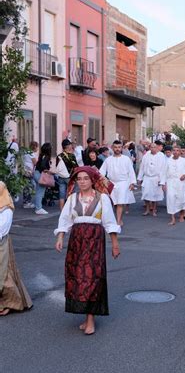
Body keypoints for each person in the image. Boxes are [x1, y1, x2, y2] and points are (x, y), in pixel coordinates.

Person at [54, 167, 120, 335]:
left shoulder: (102, 198)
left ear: (92, 180)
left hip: (94, 240)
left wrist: (114, 244)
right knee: (78, 277)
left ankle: (91, 319)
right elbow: (65, 219)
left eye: (85, 178)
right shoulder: (72, 198)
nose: (82, 181)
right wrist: (60, 237)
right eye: (79, 179)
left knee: (92, 277)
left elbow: (110, 222)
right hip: (76, 240)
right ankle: (86, 317)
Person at [0, 182, 33, 316]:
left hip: (1, 243)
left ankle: (10, 303)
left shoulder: (6, 209)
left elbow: (3, 229)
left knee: (3, 273)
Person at [99, 140, 136, 226]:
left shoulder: (126, 159)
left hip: (123, 183)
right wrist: (103, 180)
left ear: (122, 148)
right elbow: (102, 172)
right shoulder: (108, 160)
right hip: (111, 183)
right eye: (115, 147)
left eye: (119, 147)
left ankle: (118, 220)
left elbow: (131, 171)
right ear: (112, 148)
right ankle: (113, 218)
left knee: (120, 202)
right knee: (112, 203)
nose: (117, 149)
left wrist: (132, 183)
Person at [137, 142, 166, 216]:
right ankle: (147, 209)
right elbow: (142, 167)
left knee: (155, 195)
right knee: (146, 194)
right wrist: (139, 179)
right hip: (147, 178)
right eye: (151, 147)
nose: (153, 149)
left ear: (157, 148)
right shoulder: (146, 155)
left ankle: (154, 210)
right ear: (149, 148)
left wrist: (162, 181)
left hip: (156, 178)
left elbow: (163, 169)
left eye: (154, 147)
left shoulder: (161, 156)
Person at [164, 146, 185, 225]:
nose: (175, 152)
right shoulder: (168, 161)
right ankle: (173, 218)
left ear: (180, 152)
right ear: (172, 152)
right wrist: (163, 183)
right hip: (170, 182)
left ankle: (181, 215)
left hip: (180, 182)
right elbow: (163, 172)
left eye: (177, 150)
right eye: (174, 150)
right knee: (171, 198)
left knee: (180, 199)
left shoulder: (184, 161)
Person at [56, 139, 79, 210]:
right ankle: (71, 209)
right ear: (68, 146)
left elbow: (57, 166)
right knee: (72, 192)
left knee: (62, 194)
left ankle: (62, 210)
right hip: (69, 177)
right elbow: (75, 167)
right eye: (70, 145)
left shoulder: (59, 156)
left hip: (60, 177)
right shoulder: (71, 156)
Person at [33, 142, 53, 215]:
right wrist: (48, 171)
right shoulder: (46, 156)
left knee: (39, 191)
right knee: (40, 192)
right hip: (40, 174)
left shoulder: (42, 155)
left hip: (37, 173)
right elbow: (43, 166)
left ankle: (38, 206)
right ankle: (38, 208)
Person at [21, 141, 39, 209]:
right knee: (30, 187)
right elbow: (35, 163)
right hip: (29, 172)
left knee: (26, 186)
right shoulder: (31, 153)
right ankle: (27, 203)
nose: (37, 148)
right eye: (37, 147)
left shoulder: (26, 152)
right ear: (35, 147)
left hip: (24, 171)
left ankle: (25, 202)